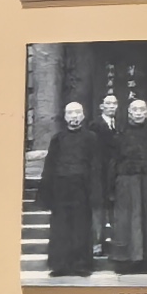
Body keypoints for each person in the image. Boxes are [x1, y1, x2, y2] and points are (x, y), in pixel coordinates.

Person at [104, 95, 147, 273]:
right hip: (126, 182)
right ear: (129, 113)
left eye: (142, 110)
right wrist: (111, 187)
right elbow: (113, 162)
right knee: (125, 221)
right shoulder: (120, 134)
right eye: (135, 110)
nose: (138, 113)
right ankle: (125, 260)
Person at [38, 97, 100, 276]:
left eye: (77, 113)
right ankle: (60, 265)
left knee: (81, 226)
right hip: (61, 188)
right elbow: (50, 166)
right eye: (70, 113)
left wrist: (95, 191)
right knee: (60, 227)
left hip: (82, 187)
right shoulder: (57, 139)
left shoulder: (91, 138)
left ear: (83, 116)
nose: (74, 116)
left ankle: (81, 265)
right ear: (65, 117)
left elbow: (96, 165)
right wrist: (47, 192)